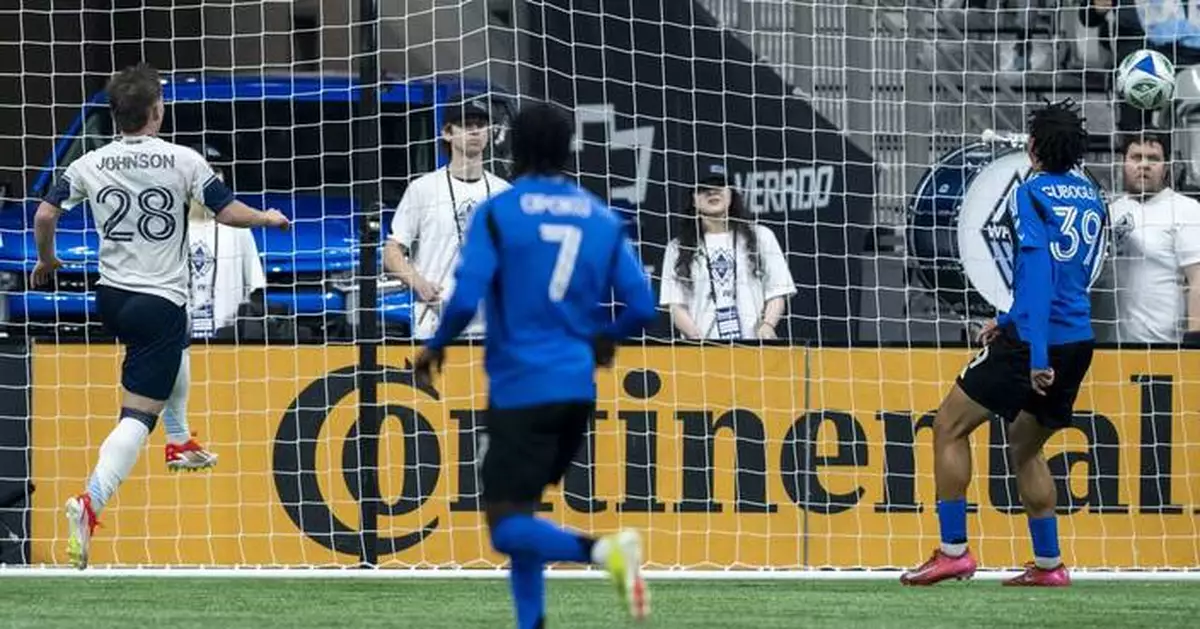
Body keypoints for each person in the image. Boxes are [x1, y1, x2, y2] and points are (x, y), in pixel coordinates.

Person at [30, 63, 289, 569]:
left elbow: (44, 213)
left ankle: (180, 440)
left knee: (176, 344)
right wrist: (266, 218)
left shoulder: (90, 161)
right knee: (134, 418)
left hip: (112, 298)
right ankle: (90, 502)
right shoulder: (182, 159)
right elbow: (226, 211)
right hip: (158, 299)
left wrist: (47, 259)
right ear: (156, 112)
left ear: (114, 115)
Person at [412, 101, 657, 626]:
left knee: (504, 526)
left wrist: (436, 345)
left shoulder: (500, 211)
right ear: (568, 149)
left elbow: (465, 294)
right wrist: (606, 339)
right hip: (576, 390)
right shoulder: (600, 216)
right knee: (521, 514)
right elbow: (642, 305)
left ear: (512, 147)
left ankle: (604, 552)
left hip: (521, 388)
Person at [901, 100, 1105, 587]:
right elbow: (1067, 275)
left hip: (1036, 342)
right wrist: (1007, 317)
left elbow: (1036, 277)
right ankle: (1050, 565)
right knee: (1025, 448)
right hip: (1077, 339)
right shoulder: (1091, 195)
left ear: (1033, 147)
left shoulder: (1030, 193)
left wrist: (1032, 350)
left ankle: (953, 552)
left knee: (948, 426)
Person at [384, 96, 510, 339]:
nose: (475, 131)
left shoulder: (504, 192)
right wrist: (419, 283)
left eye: (481, 124)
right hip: (435, 322)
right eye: (466, 124)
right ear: (447, 132)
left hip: (491, 326)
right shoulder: (423, 188)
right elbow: (392, 251)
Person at [659, 164, 795, 340]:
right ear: (693, 199)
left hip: (755, 348)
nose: (712, 192)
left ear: (731, 195)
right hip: (701, 352)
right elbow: (675, 304)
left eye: (719, 186)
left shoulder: (762, 236)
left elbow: (778, 291)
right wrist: (696, 338)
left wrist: (768, 325)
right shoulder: (677, 247)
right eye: (703, 188)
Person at [1108, 131, 1200, 345]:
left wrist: (1195, 338)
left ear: (1167, 166)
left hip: (1164, 346)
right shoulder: (1110, 212)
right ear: (1122, 163)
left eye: (1153, 158)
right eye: (1136, 157)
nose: (1144, 165)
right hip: (1108, 345)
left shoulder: (1186, 210)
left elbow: (1198, 278)